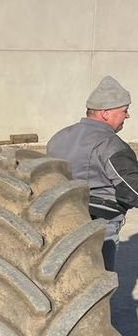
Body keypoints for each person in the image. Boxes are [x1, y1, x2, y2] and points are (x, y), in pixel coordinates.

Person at [47, 75, 138, 271]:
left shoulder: (58, 137)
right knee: (99, 280)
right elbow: (133, 190)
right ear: (105, 113)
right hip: (100, 226)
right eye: (124, 110)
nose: (127, 116)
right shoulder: (111, 144)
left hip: (60, 220)